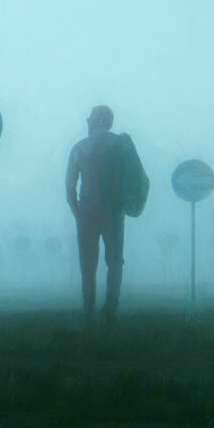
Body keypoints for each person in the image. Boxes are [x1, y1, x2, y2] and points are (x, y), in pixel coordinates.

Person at [65, 105, 144, 325]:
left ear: (93, 121)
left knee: (88, 264)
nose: (87, 122)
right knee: (115, 262)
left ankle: (88, 308)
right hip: (114, 212)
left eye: (89, 119)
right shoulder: (120, 144)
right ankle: (111, 307)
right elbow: (134, 177)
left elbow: (70, 186)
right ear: (109, 122)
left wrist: (77, 212)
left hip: (87, 213)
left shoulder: (79, 148)